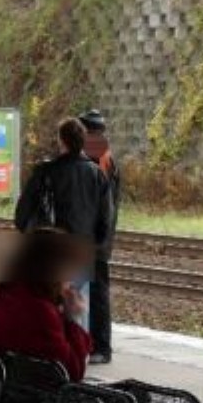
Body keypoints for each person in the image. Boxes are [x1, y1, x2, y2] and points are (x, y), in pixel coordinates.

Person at [13, 118, 112, 343]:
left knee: (50, 308)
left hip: (51, 251)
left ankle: (53, 354)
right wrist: (94, 246)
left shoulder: (46, 172)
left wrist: (30, 236)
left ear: (62, 141)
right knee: (77, 307)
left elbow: (22, 214)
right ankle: (78, 353)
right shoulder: (97, 174)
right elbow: (105, 219)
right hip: (82, 251)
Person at [0, 228, 93, 381]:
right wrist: (74, 319)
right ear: (53, 270)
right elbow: (73, 373)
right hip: (25, 393)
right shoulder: (40, 312)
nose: (72, 279)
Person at [78, 108, 120, 364]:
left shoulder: (99, 158)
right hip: (97, 236)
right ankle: (94, 344)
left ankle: (101, 347)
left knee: (97, 293)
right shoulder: (104, 156)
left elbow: (101, 203)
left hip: (95, 238)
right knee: (92, 291)